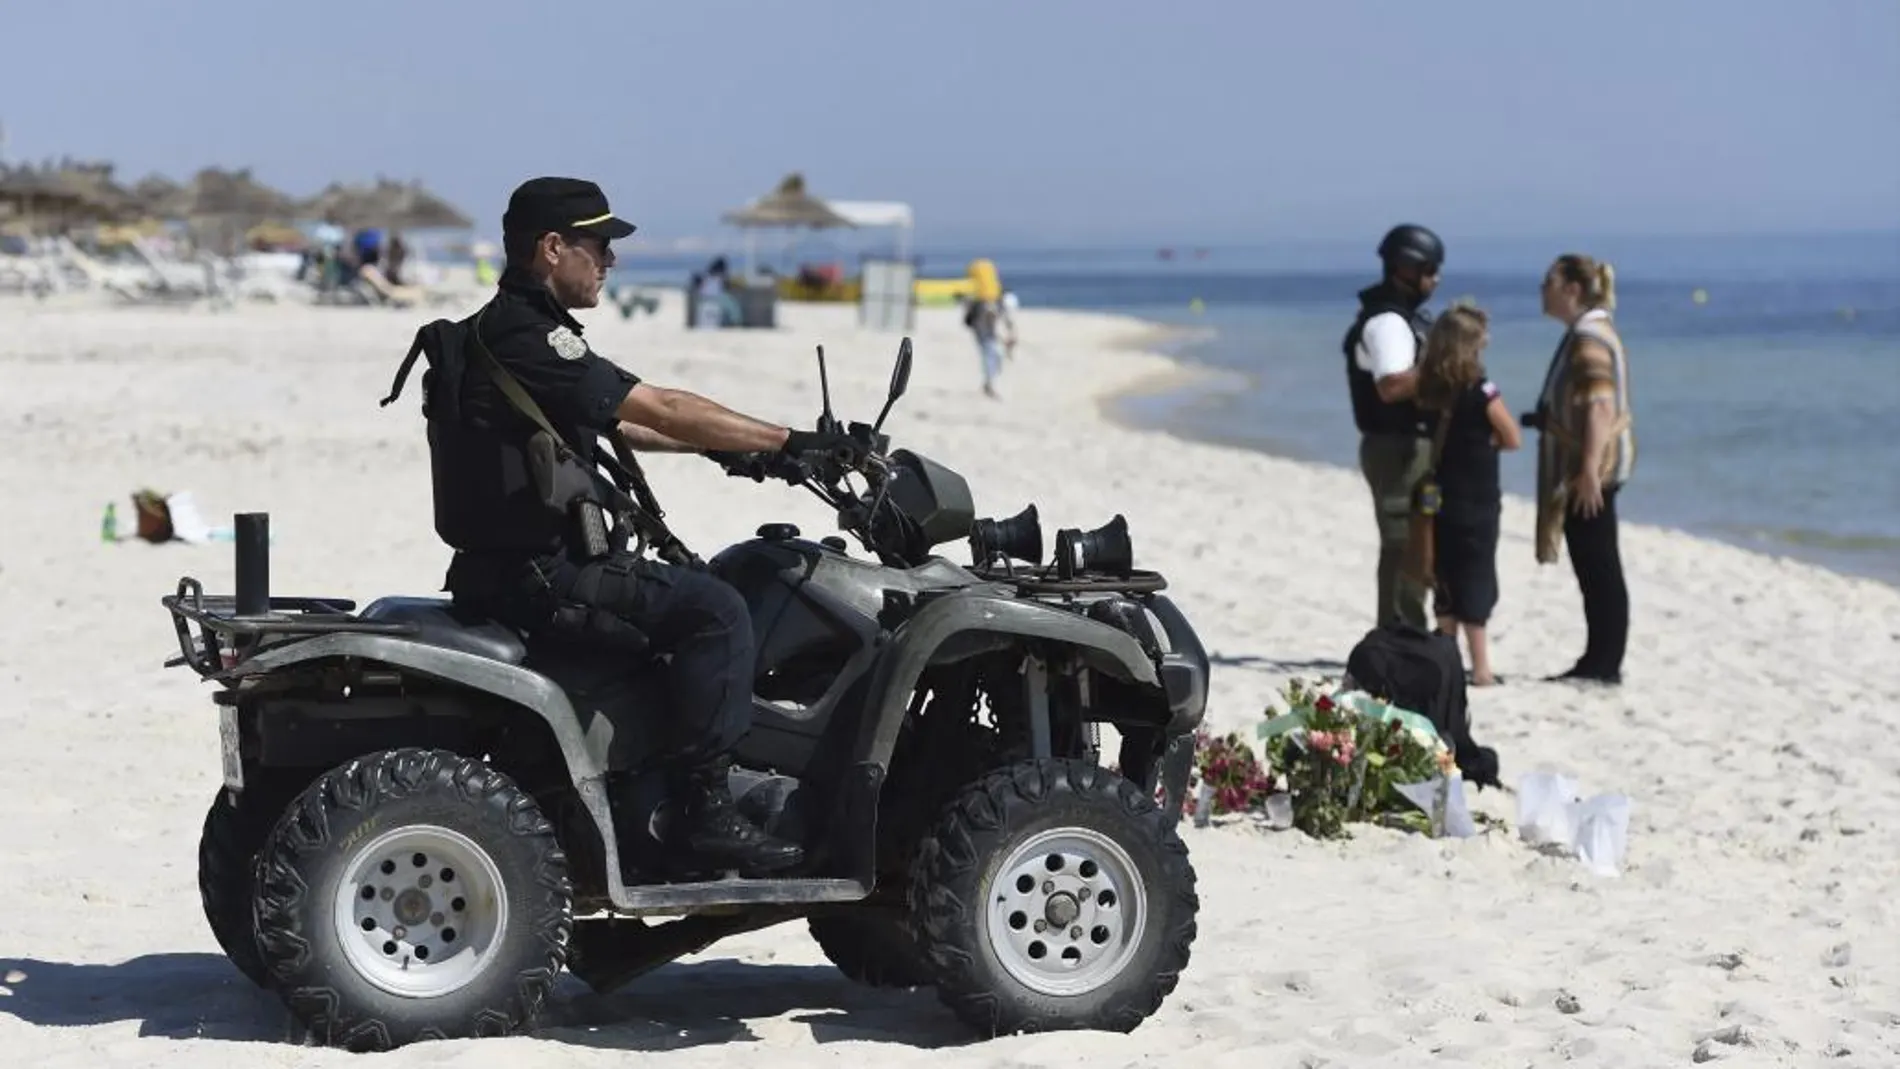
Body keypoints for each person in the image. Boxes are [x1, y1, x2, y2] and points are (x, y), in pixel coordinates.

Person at [419, 176, 861, 874]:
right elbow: (660, 406)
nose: (610, 260)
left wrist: (741, 453)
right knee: (717, 610)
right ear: (552, 247)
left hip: (512, 567)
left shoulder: (507, 335)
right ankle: (704, 812)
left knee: (695, 590)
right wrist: (788, 439)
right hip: (542, 574)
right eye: (597, 245)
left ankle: (657, 776)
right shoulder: (526, 335)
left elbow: (623, 424)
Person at [1526, 253, 1635, 685]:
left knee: (1598, 563)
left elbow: (1600, 405)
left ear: (1571, 289)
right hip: (1588, 464)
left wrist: (1588, 468)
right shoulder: (1589, 331)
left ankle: (1603, 661)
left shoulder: (1589, 338)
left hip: (1591, 469)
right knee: (1594, 561)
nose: (1542, 290)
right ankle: (1599, 657)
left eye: (1548, 282)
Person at [1342, 224, 1444, 629]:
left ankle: (1406, 628)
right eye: (1431, 270)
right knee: (1402, 543)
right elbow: (1390, 386)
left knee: (1414, 540)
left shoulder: (1402, 319)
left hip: (1406, 446)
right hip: (1396, 448)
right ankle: (1399, 630)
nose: (1435, 281)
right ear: (1406, 267)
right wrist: (1448, 372)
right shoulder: (1387, 323)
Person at [1414, 304, 1520, 685]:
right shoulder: (1482, 391)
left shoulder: (1430, 391)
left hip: (1440, 497)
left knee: (1444, 576)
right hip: (1477, 499)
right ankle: (1482, 668)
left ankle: (1446, 663)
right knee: (1476, 576)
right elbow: (1512, 437)